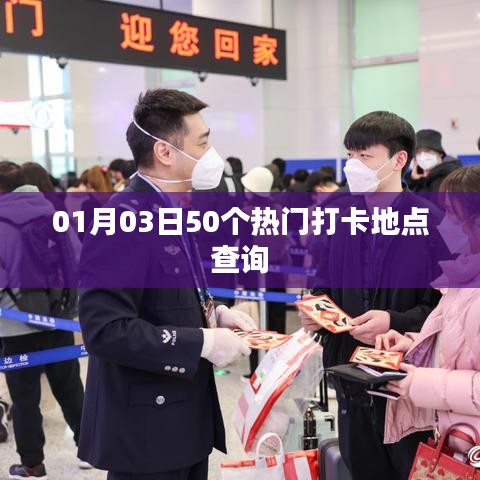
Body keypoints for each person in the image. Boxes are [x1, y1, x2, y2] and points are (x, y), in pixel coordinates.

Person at [78, 88, 256, 480]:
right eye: (202, 143)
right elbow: (105, 330)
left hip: (183, 419)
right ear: (164, 151)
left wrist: (215, 315)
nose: (211, 155)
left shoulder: (170, 208)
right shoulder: (122, 221)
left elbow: (167, 293)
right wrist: (203, 343)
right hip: (147, 430)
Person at [299, 111, 447, 480]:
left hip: (406, 382)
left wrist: (394, 321)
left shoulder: (430, 222)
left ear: (399, 159)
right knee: (361, 467)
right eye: (349, 155)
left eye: (365, 156)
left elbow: (443, 308)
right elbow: (322, 283)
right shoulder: (339, 214)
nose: (353, 165)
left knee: (407, 468)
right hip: (349, 373)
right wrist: (317, 312)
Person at [377, 165, 480, 462]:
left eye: (455, 215)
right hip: (457, 443)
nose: (446, 223)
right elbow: (456, 342)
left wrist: (419, 383)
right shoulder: (463, 275)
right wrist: (413, 343)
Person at [0, 161, 87, 479]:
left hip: (14, 326)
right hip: (58, 319)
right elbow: (78, 259)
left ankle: (32, 464)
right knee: (70, 387)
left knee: (24, 397)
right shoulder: (54, 213)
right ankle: (90, 449)